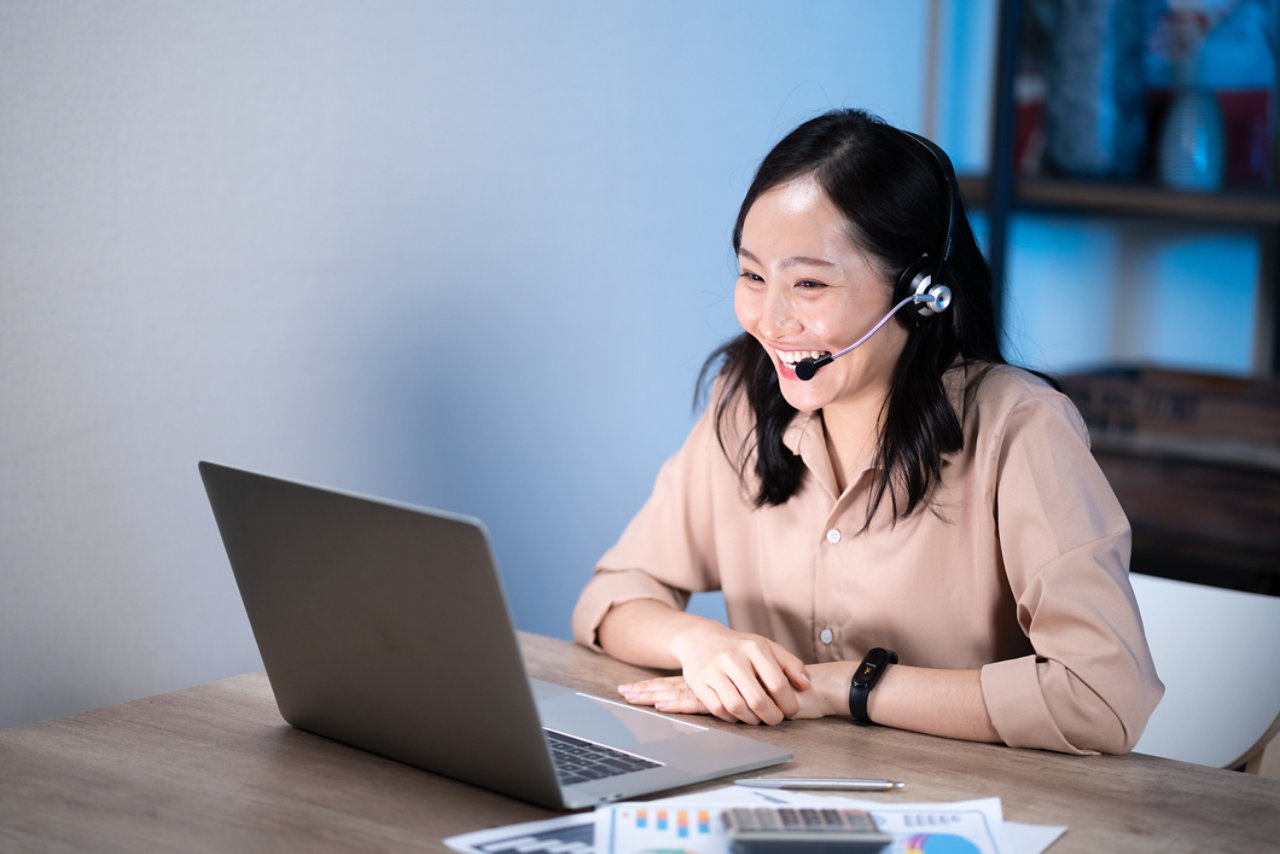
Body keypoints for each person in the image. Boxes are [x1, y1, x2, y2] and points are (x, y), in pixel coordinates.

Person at [571, 108, 1164, 755]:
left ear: (921, 292)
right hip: (778, 793)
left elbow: (1103, 699)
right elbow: (612, 597)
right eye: (752, 275)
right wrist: (701, 642)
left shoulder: (1019, 428)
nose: (769, 320)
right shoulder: (746, 403)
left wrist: (842, 689)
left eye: (809, 283)